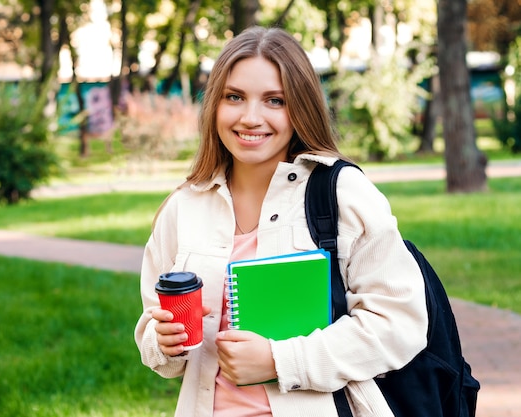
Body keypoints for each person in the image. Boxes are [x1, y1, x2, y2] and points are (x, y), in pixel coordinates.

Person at [134, 26, 428, 417]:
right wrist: (163, 341)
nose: (250, 117)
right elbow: (156, 337)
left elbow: (399, 323)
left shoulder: (343, 193)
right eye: (234, 97)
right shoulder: (184, 206)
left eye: (275, 100)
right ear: (214, 106)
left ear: (301, 108)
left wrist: (280, 360)